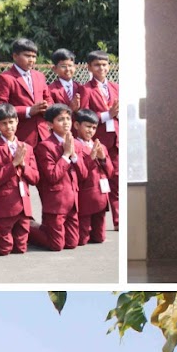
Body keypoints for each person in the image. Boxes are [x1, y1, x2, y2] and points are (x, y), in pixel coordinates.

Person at [0, 103, 38, 256]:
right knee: (4, 249)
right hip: (5, 207)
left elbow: (35, 178)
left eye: (11, 121)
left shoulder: (27, 148)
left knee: (21, 248)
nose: (9, 126)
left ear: (17, 121)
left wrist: (23, 164)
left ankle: (31, 229)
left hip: (24, 205)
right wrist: (13, 164)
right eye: (4, 123)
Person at [77, 50, 120, 229]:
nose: (101, 68)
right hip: (98, 140)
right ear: (89, 67)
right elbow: (83, 114)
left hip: (115, 139)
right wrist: (106, 115)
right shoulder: (86, 89)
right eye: (97, 65)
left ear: (109, 66)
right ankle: (94, 219)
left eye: (104, 64)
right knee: (97, 179)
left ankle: (118, 220)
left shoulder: (116, 87)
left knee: (116, 177)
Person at [31, 104, 82, 251]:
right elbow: (53, 176)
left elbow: (83, 173)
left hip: (72, 202)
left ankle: (47, 229)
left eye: (68, 118)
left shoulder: (74, 142)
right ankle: (28, 228)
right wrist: (66, 155)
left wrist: (74, 156)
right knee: (56, 245)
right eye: (60, 119)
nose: (66, 122)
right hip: (55, 203)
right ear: (49, 124)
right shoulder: (45, 146)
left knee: (72, 243)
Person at [0, 38, 51, 148]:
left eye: (34, 56)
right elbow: (0, 107)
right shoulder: (6, 78)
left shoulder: (39, 76)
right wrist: (28, 110)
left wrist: (47, 108)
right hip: (22, 134)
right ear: (15, 56)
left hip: (44, 133)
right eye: (27, 56)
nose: (31, 60)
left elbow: (48, 99)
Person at [74, 108, 113, 245]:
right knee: (82, 239)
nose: (90, 130)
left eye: (94, 127)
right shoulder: (74, 145)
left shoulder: (101, 146)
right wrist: (91, 157)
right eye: (87, 126)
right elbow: (80, 171)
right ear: (77, 125)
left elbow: (110, 172)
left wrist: (103, 158)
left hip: (101, 195)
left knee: (99, 238)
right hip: (86, 194)